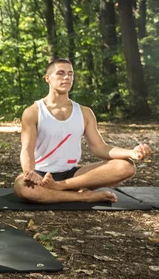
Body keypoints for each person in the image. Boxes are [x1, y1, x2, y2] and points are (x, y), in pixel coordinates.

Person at [14, 59, 152, 204]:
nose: (67, 77)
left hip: (72, 175)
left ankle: (59, 188)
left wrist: (131, 153)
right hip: (41, 173)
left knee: (127, 166)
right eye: (60, 73)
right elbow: (27, 149)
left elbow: (100, 148)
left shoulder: (85, 112)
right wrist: (29, 172)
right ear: (48, 78)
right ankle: (83, 196)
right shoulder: (33, 112)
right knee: (22, 187)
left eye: (70, 74)